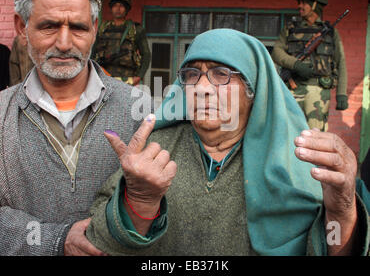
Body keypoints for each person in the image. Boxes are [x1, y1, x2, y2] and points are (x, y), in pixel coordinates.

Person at [87, 29, 369, 256]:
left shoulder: (301, 160)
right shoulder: (154, 149)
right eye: (192, 75)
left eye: (221, 74)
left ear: (252, 89)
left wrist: (342, 211)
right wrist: (139, 201)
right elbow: (100, 241)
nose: (202, 88)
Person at [0, 0, 152, 255]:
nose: (65, 42)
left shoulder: (140, 109)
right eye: (49, 26)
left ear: (95, 29)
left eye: (79, 27)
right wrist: (54, 240)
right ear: (22, 27)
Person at [271, 0, 348, 131]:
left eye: (304, 2)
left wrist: (341, 94)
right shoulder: (290, 29)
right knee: (289, 131)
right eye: (299, 2)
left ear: (315, 5)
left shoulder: (331, 33)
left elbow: (341, 63)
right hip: (294, 87)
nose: (300, 6)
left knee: (316, 135)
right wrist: (296, 64)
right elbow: (277, 52)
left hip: (319, 90)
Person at [93, 0, 151, 86]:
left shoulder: (135, 29)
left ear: (126, 9)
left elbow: (146, 55)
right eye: (115, 5)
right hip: (104, 76)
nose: (118, 9)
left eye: (121, 6)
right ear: (111, 8)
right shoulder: (103, 28)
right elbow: (93, 52)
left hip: (128, 77)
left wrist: (139, 76)